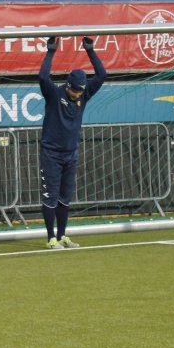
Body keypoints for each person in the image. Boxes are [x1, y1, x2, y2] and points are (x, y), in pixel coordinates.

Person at [36, 35, 107, 249]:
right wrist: (51, 51)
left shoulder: (83, 95)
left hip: (71, 154)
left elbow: (102, 75)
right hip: (51, 154)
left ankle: (63, 236)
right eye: (74, 90)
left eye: (80, 91)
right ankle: (51, 238)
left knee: (65, 198)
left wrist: (90, 50)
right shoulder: (53, 94)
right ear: (67, 85)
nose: (77, 94)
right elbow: (43, 76)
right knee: (50, 197)